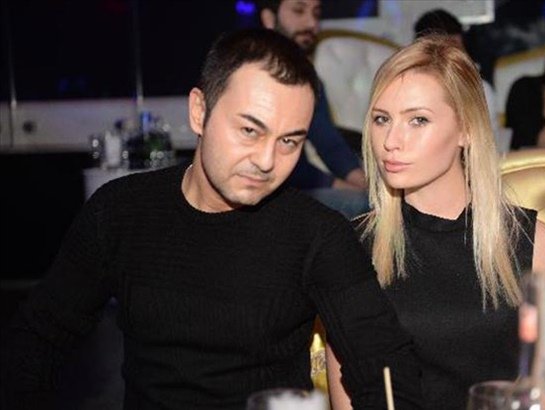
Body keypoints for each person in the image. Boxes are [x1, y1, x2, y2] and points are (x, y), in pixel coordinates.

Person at [0, 29, 425, 410]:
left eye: (289, 141)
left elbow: (383, 362)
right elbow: (38, 339)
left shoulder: (317, 234)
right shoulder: (120, 212)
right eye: (250, 131)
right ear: (199, 111)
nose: (266, 161)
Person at [325, 36, 545, 409]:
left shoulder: (534, 243)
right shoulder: (348, 249)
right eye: (382, 119)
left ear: (466, 129)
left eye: (418, 120)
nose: (391, 141)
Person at [258, 0, 369, 218]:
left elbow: (329, 143)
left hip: (300, 186)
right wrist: (342, 187)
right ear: (269, 18)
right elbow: (278, 162)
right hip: (266, 193)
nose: (311, 23)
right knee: (361, 205)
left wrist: (365, 184)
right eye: (299, 11)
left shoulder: (310, 80)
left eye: (316, 14)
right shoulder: (255, 75)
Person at [413, 8, 500, 137]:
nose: (458, 56)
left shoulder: (479, 89)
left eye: (459, 49)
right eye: (448, 50)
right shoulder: (406, 88)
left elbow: (486, 140)